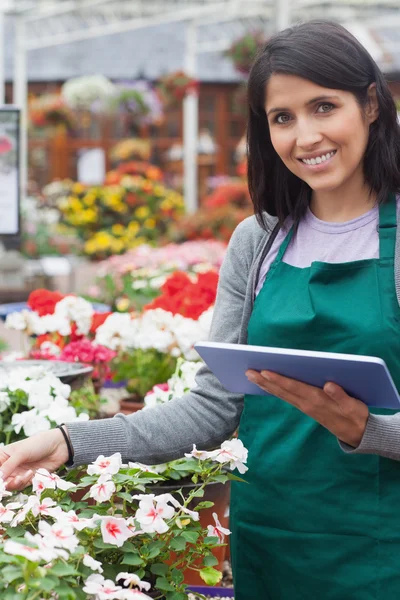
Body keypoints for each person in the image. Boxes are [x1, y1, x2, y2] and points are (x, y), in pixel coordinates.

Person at [2, 19, 400, 598]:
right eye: (282, 118)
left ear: (369, 106)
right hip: (268, 539)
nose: (305, 136)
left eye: (323, 107)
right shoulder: (258, 240)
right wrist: (68, 442)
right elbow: (214, 408)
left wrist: (367, 429)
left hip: (379, 547)